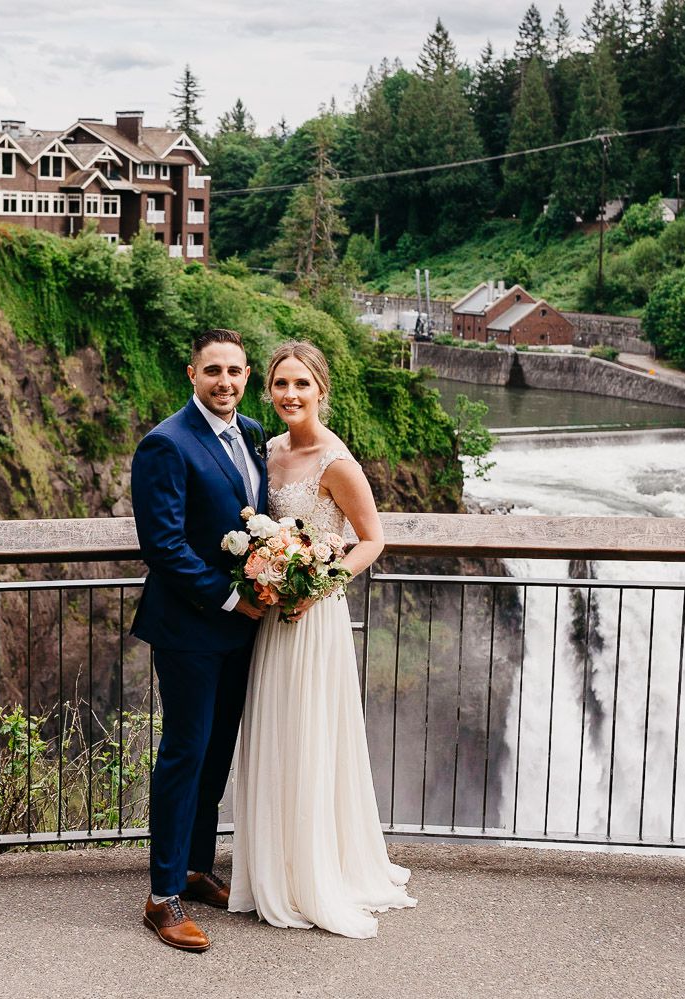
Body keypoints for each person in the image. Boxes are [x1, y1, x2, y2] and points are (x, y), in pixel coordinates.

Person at [228, 340, 417, 938]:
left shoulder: (337, 462)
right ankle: (271, 868)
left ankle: (311, 872)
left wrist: (317, 583)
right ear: (270, 389)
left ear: (320, 390)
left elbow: (372, 539)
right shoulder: (267, 451)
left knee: (311, 731)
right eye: (281, 384)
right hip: (273, 615)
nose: (290, 394)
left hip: (315, 615)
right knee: (275, 729)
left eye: (301, 385)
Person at [129, 328, 268, 953]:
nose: (225, 382)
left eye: (235, 371)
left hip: (243, 629)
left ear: (246, 375)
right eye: (213, 371)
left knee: (216, 756)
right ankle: (162, 898)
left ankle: (194, 867)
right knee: (185, 754)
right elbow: (163, 546)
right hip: (190, 628)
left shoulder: (254, 435)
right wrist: (233, 596)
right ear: (192, 374)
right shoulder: (165, 444)